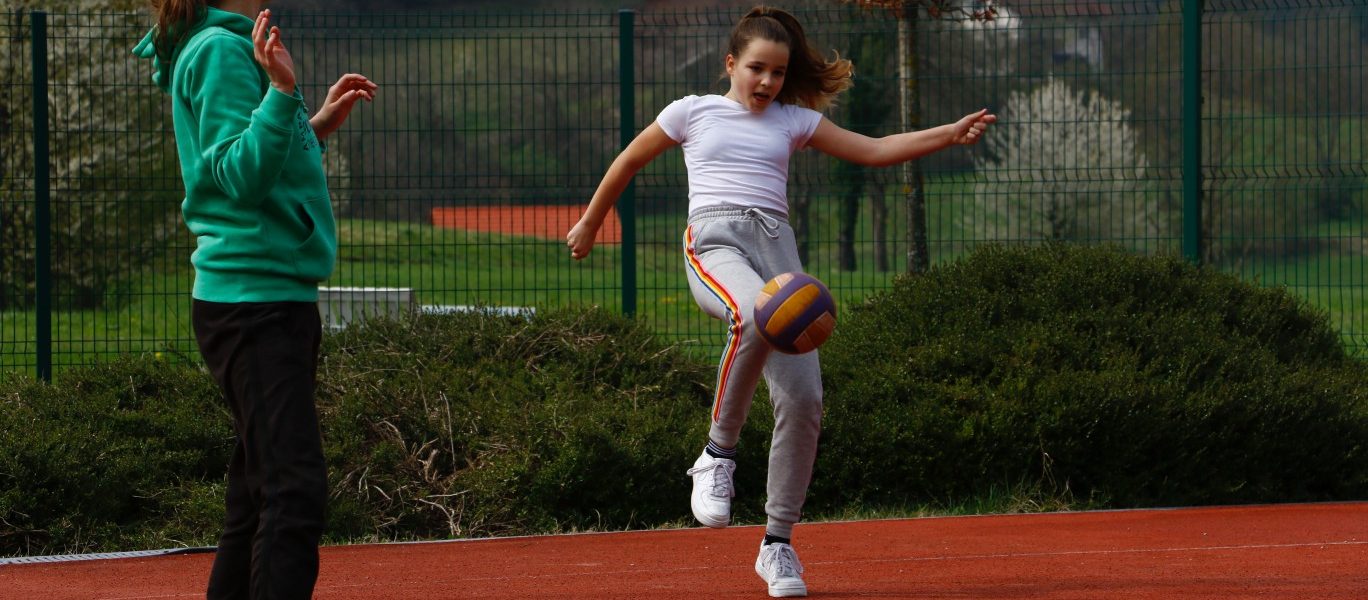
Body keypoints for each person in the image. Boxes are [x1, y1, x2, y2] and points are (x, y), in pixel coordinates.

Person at [567, 5, 994, 598]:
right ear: (730, 64)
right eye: (757, 68)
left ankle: (777, 545)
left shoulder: (793, 120)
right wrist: (591, 222)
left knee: (805, 398)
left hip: (779, 255)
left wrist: (949, 133)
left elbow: (874, 149)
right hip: (715, 243)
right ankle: (717, 454)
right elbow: (629, 160)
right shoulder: (691, 111)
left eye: (778, 72)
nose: (767, 81)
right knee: (750, 315)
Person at [133, 2, 375, 598]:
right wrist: (281, 91)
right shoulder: (220, 50)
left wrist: (312, 123)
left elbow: (256, 163)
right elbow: (235, 175)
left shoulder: (228, 43)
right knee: (293, 491)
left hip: (265, 296)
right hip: (255, 303)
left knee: (255, 495)